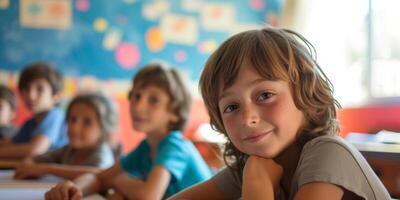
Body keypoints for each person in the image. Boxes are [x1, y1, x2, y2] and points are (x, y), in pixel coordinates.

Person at [169, 27, 391, 200]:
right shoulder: (253, 166)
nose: (247, 118)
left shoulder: (328, 153)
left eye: (265, 95)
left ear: (306, 93)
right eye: (232, 107)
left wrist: (257, 187)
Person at [44, 63, 212, 200]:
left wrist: (116, 180)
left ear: (175, 113)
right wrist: (74, 188)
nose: (138, 106)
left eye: (153, 100)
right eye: (136, 96)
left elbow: (148, 196)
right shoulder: (146, 148)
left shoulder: (175, 146)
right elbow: (99, 177)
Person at [14, 93, 117, 180]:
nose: (75, 128)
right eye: (72, 120)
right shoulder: (68, 150)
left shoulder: (102, 153)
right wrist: (28, 165)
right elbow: (35, 160)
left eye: (87, 123)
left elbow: (99, 174)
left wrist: (47, 169)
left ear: (104, 129)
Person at [0, 62, 68, 159]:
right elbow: (10, 143)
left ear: (56, 96)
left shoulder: (55, 115)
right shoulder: (30, 124)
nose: (31, 95)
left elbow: (35, 150)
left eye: (40, 89)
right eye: (26, 88)